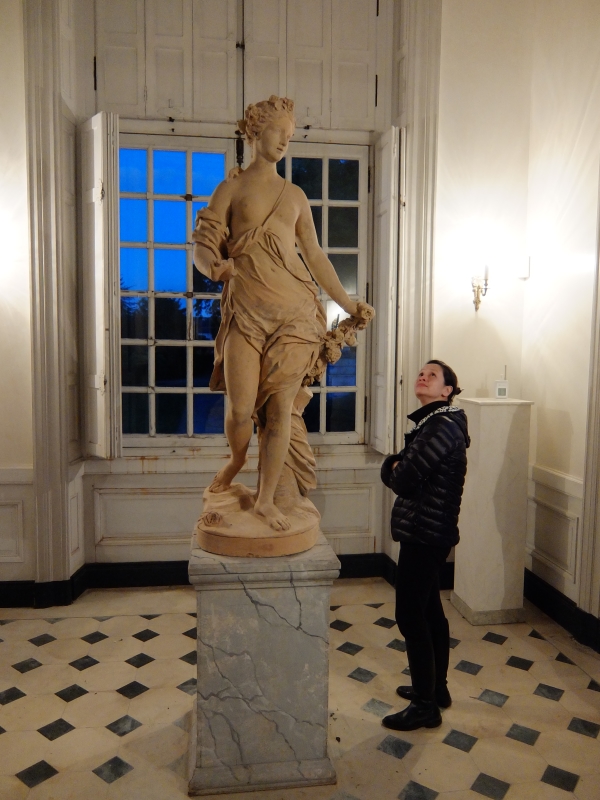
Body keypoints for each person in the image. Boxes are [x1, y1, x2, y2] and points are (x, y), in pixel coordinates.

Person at [192, 96, 373, 532]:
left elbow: (315, 256)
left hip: (295, 315)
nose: (285, 141)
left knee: (279, 411)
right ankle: (237, 460)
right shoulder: (231, 189)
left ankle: (266, 500)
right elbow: (203, 243)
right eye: (279, 132)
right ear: (255, 132)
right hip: (246, 313)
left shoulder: (295, 196)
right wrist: (213, 267)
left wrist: (348, 304)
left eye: (291, 135)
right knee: (240, 410)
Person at [380, 360, 470, 731]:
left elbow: (403, 479)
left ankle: (424, 706)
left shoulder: (440, 426)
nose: (423, 376)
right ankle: (436, 689)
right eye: (422, 372)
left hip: (425, 534)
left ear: (447, 391)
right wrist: (399, 465)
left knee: (410, 615)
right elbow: (409, 474)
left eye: (433, 375)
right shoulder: (435, 424)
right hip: (428, 531)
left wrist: (391, 463)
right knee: (430, 611)